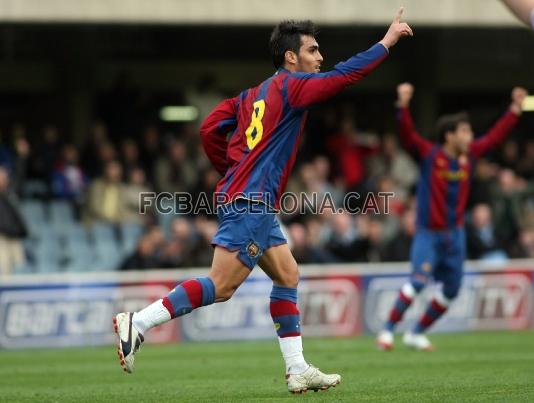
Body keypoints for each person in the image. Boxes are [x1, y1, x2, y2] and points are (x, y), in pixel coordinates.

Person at [114, 8, 413, 393]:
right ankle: (138, 322)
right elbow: (345, 76)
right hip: (251, 201)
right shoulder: (294, 87)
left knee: (287, 274)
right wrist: (386, 42)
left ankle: (297, 367)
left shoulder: (251, 96)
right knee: (221, 286)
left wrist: (233, 167)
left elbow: (209, 129)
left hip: (252, 199)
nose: (320, 58)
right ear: (292, 57)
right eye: (314, 50)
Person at [376, 83, 527, 351]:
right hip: (428, 233)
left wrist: (515, 110)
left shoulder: (470, 156)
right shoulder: (430, 155)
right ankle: (387, 331)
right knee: (418, 282)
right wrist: (402, 105)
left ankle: (416, 333)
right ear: (449, 135)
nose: (470, 136)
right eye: (465, 131)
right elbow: (408, 136)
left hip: (455, 234)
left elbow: (494, 138)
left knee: (452, 290)